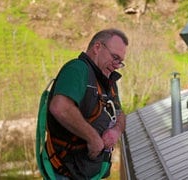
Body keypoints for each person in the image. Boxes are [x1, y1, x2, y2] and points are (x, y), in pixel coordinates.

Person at [46, 28, 128, 179]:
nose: (117, 65)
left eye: (120, 62)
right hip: (67, 173)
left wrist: (116, 130)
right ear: (97, 47)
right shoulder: (77, 69)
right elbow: (60, 107)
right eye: (115, 57)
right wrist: (93, 138)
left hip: (90, 172)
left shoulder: (108, 81)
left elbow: (120, 113)